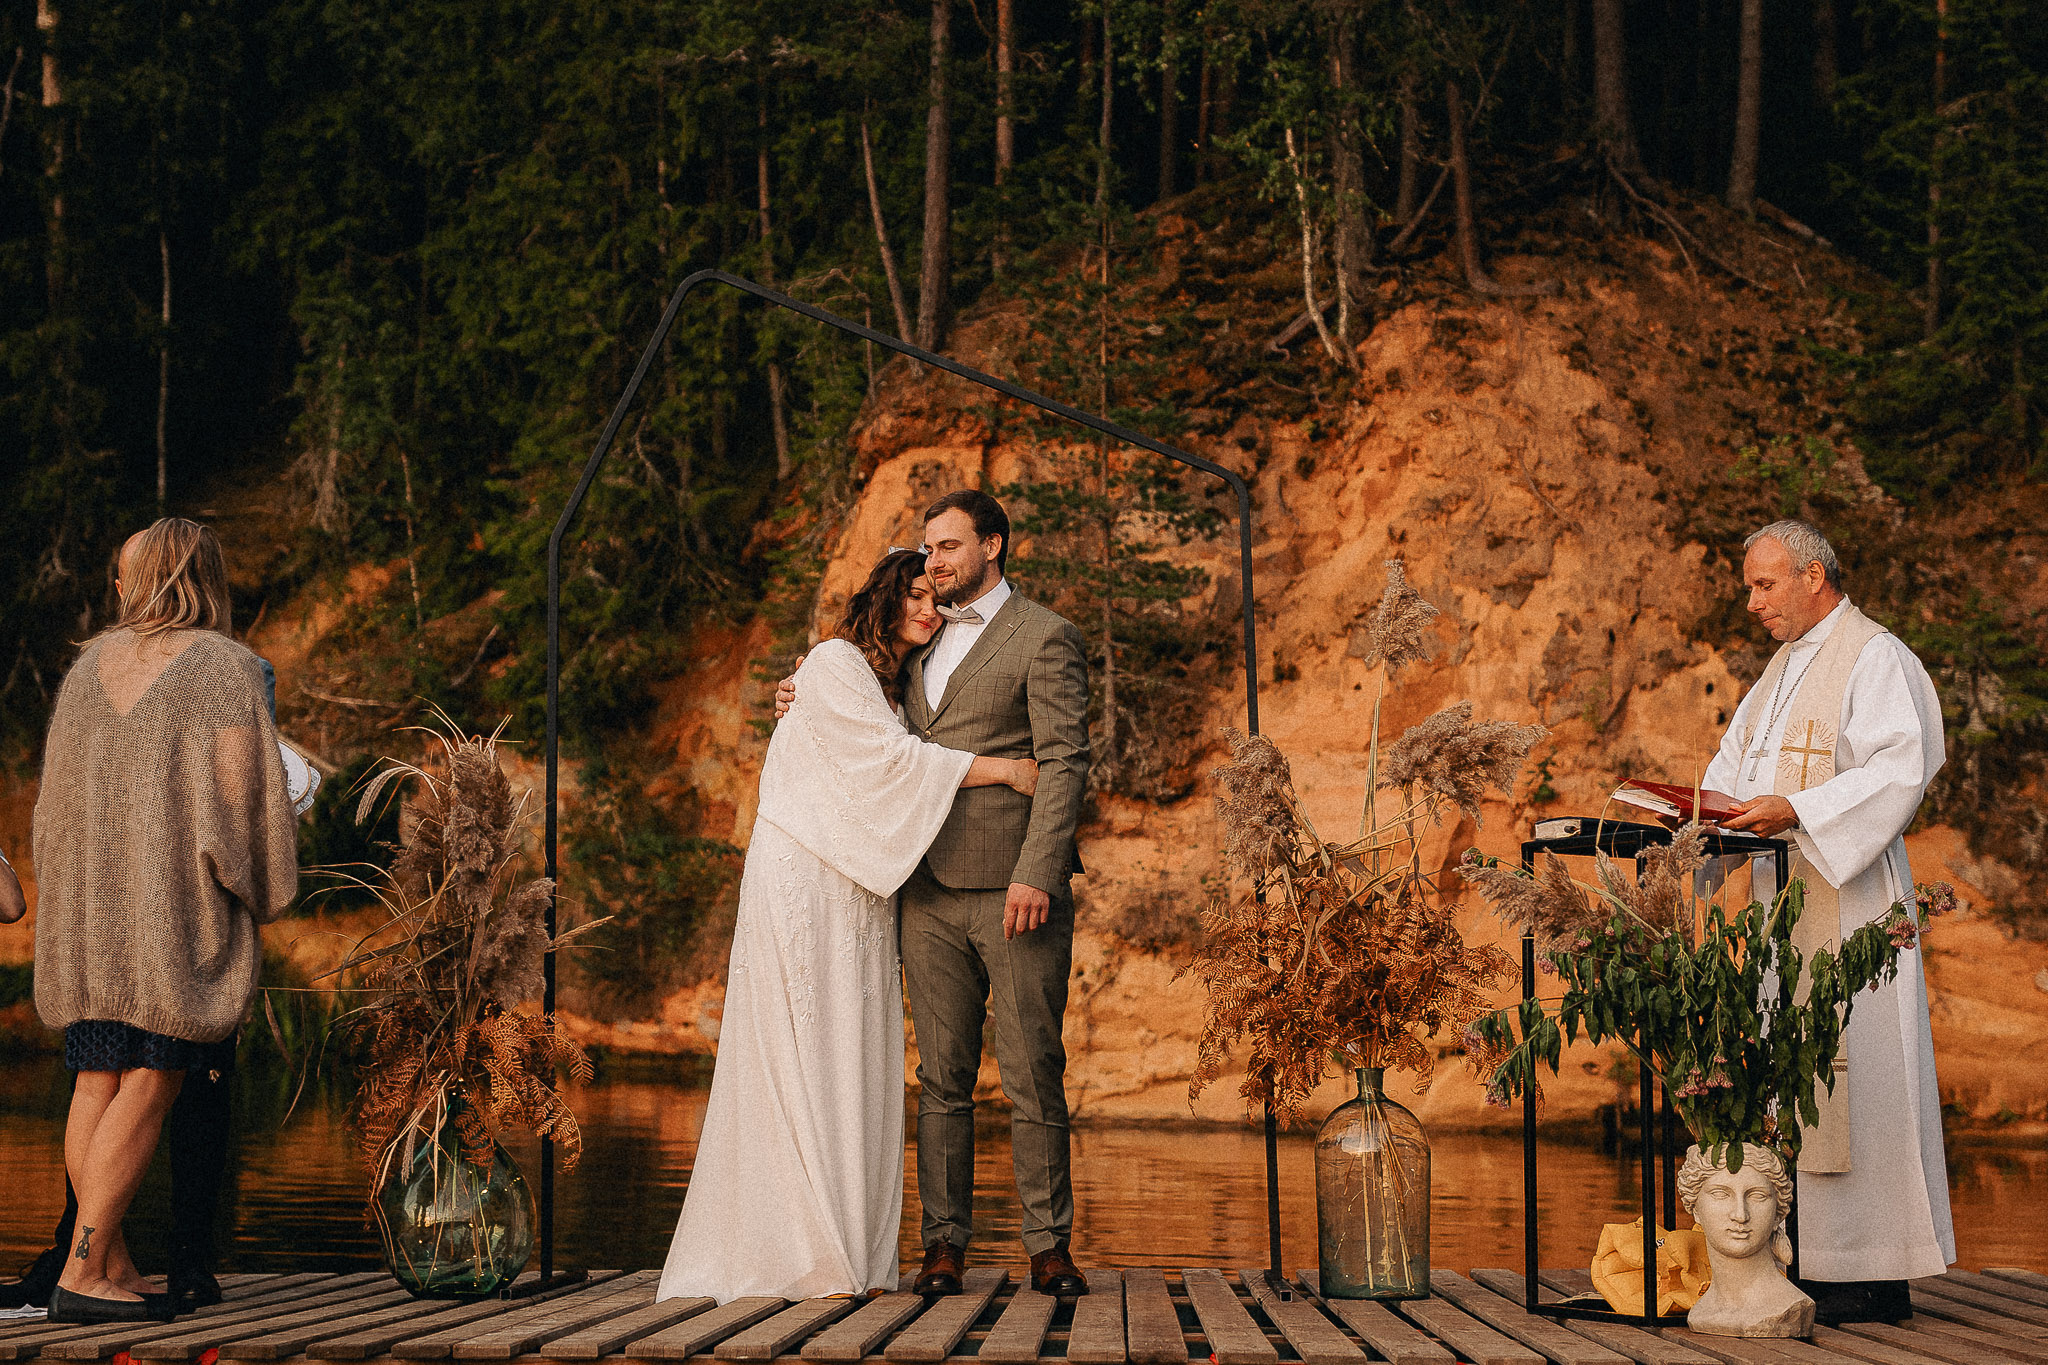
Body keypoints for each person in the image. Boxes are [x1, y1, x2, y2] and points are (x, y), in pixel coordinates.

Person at [657, 549, 1040, 1305]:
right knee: (800, 1044)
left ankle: (847, 1244)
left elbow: (891, 753)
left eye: (937, 601)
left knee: (850, 1051)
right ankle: (798, 1247)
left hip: (860, 888)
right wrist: (1006, 769)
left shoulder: (887, 686)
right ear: (884, 598)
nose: (927, 610)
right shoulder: (833, 662)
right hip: (806, 875)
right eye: (916, 595)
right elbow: (896, 762)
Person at [777, 490, 1092, 1299]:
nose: (936, 559)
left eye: (950, 545)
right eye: (928, 547)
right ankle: (943, 1246)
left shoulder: (1045, 636)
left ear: (994, 544)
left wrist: (1038, 870)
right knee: (942, 1079)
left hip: (1015, 888)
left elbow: (1064, 761)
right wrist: (799, 689)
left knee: (1032, 1069)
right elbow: (863, 720)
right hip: (923, 888)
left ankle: (1049, 1247)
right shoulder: (915, 642)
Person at [1, 527, 311, 1317]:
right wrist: (264, 881)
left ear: (137, 579)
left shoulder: (84, 671)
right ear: (207, 575)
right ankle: (82, 1272)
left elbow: (53, 805)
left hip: (85, 915)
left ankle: (111, 1258)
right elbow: (238, 808)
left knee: (95, 1078)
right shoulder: (225, 667)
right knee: (153, 1075)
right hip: (168, 916)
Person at [1700, 518, 1953, 1326]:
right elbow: (1732, 771)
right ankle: (1802, 1255)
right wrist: (1691, 827)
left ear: (1814, 575)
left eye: (1764, 583)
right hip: (1783, 904)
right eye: (1750, 586)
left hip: (1854, 905)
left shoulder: (1874, 655)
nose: (1752, 602)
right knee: (1791, 1068)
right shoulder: (1781, 670)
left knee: (1859, 1067)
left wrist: (1800, 810)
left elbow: (1904, 765)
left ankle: (1871, 1270)